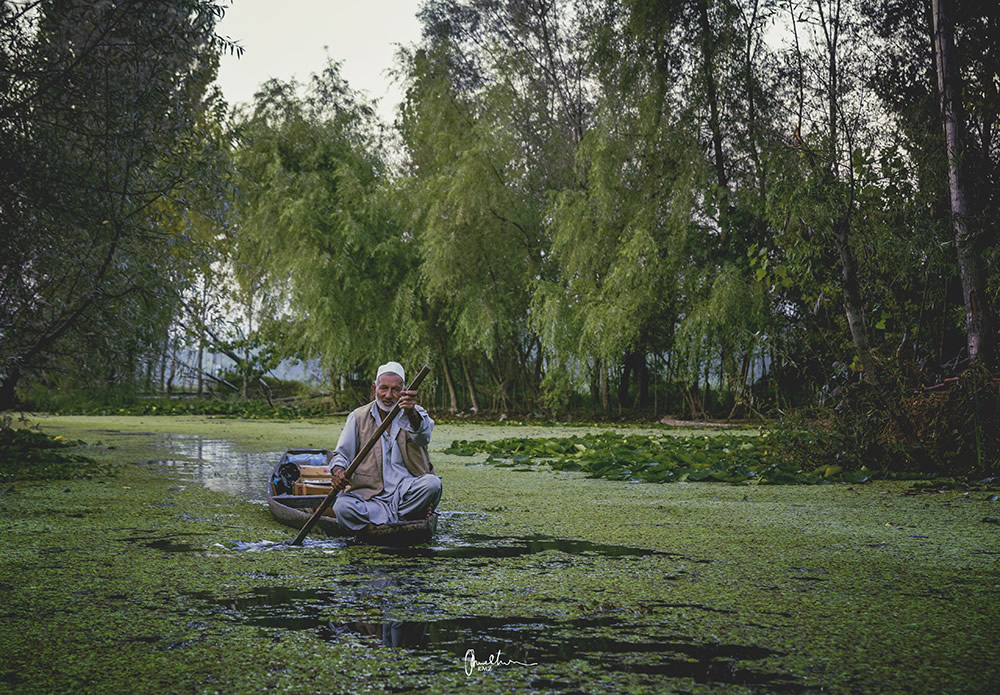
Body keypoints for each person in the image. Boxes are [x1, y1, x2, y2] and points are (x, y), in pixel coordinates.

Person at [329, 361, 442, 531]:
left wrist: (410, 413)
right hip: (370, 499)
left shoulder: (416, 413)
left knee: (432, 484)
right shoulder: (358, 417)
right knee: (342, 507)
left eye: (395, 390)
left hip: (407, 494)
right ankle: (406, 517)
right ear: (374, 390)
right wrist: (338, 471)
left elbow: (423, 437)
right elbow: (342, 455)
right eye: (383, 388)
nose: (388, 395)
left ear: (403, 392)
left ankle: (389, 519)